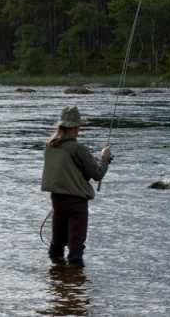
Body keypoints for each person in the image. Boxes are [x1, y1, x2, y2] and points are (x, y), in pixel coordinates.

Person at [41, 106, 112, 267]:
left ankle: (58, 280)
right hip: (76, 203)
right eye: (78, 126)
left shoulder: (50, 146)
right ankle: (76, 285)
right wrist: (105, 158)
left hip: (57, 200)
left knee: (57, 244)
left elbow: (67, 169)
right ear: (75, 127)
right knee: (76, 247)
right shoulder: (78, 149)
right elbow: (98, 174)